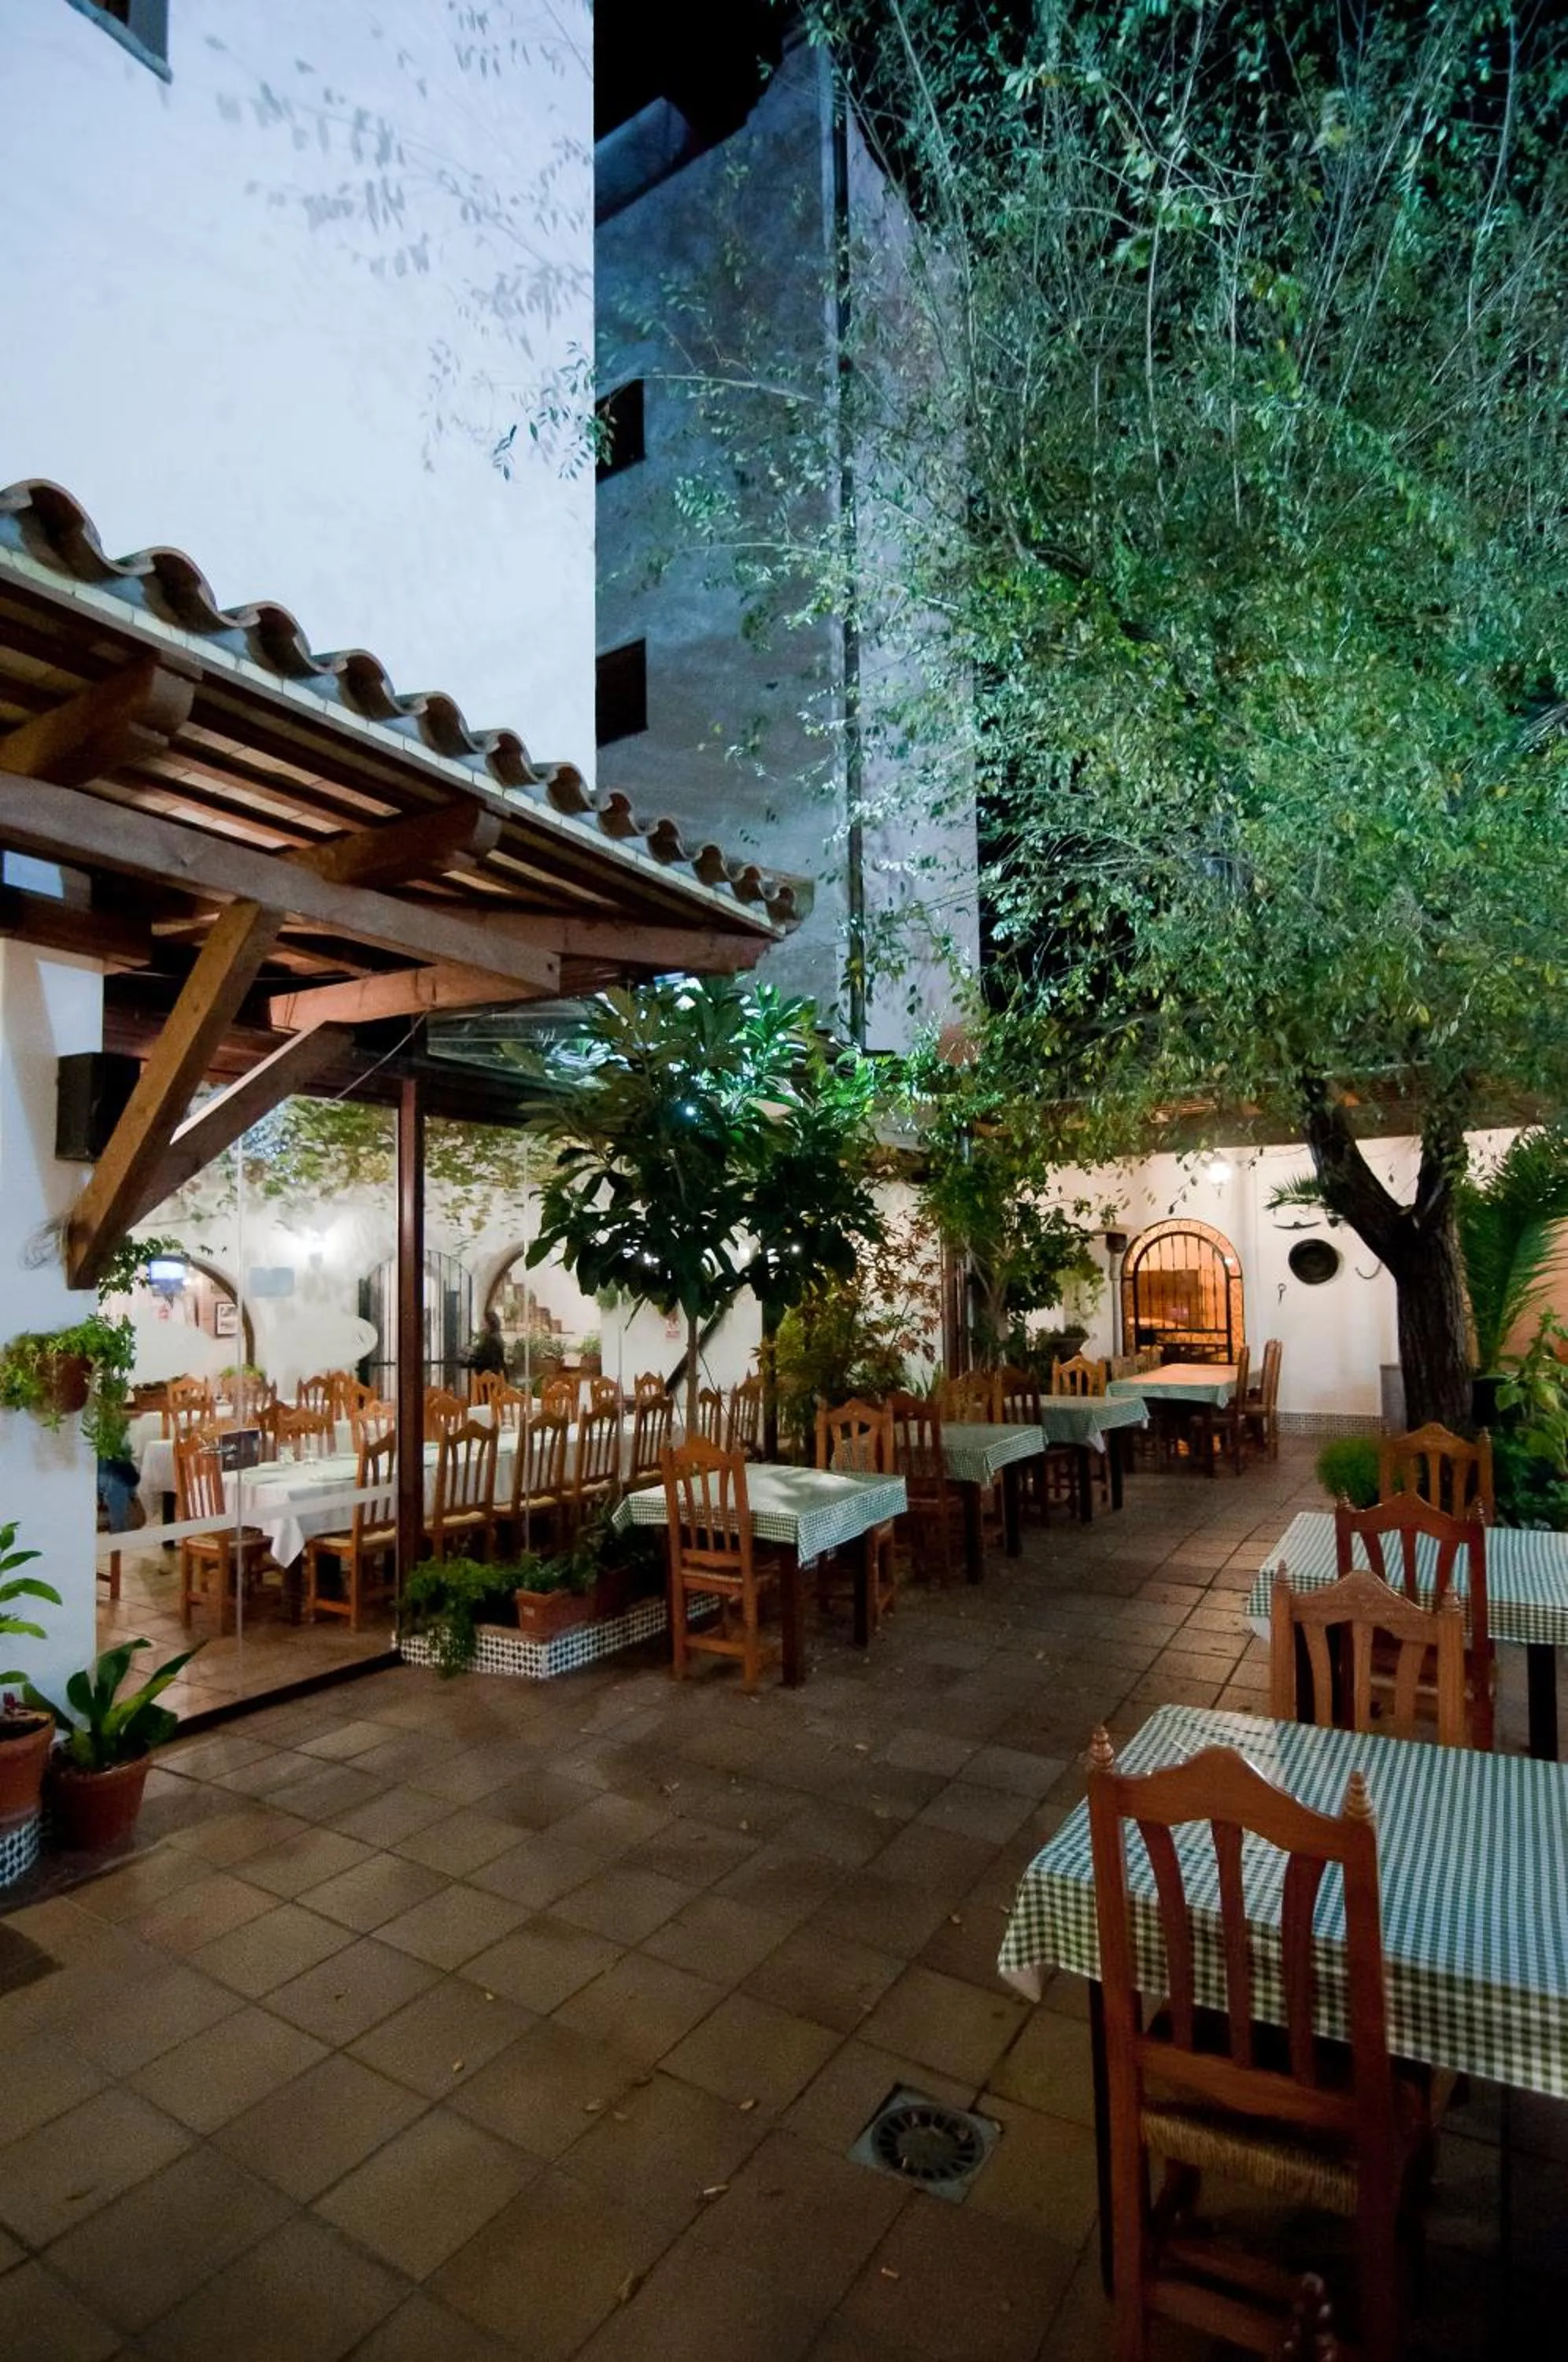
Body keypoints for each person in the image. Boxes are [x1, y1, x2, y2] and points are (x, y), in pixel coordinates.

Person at [464, 1308, 507, 1378]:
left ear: (489, 1323)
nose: (482, 1324)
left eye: (484, 1321)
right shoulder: (496, 1336)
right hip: (495, 1377)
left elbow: (485, 1360)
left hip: (490, 1380)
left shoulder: (491, 1339)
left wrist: (470, 1358)